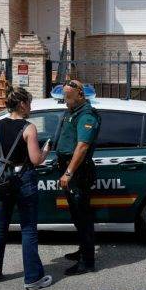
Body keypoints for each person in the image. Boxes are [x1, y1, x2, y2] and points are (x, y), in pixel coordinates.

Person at [0, 86, 52, 290]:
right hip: (24, 179)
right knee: (28, 229)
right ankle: (32, 278)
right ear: (22, 104)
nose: (30, 107)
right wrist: (46, 150)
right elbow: (36, 160)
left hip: (3, 179)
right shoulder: (29, 128)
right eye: (29, 103)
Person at [57, 80, 100, 276]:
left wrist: (69, 172)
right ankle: (83, 250)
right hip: (72, 170)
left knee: (83, 218)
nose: (65, 100)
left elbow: (82, 146)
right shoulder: (73, 112)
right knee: (77, 215)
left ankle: (87, 262)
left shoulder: (86, 115)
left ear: (80, 95)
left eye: (68, 96)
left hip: (78, 172)